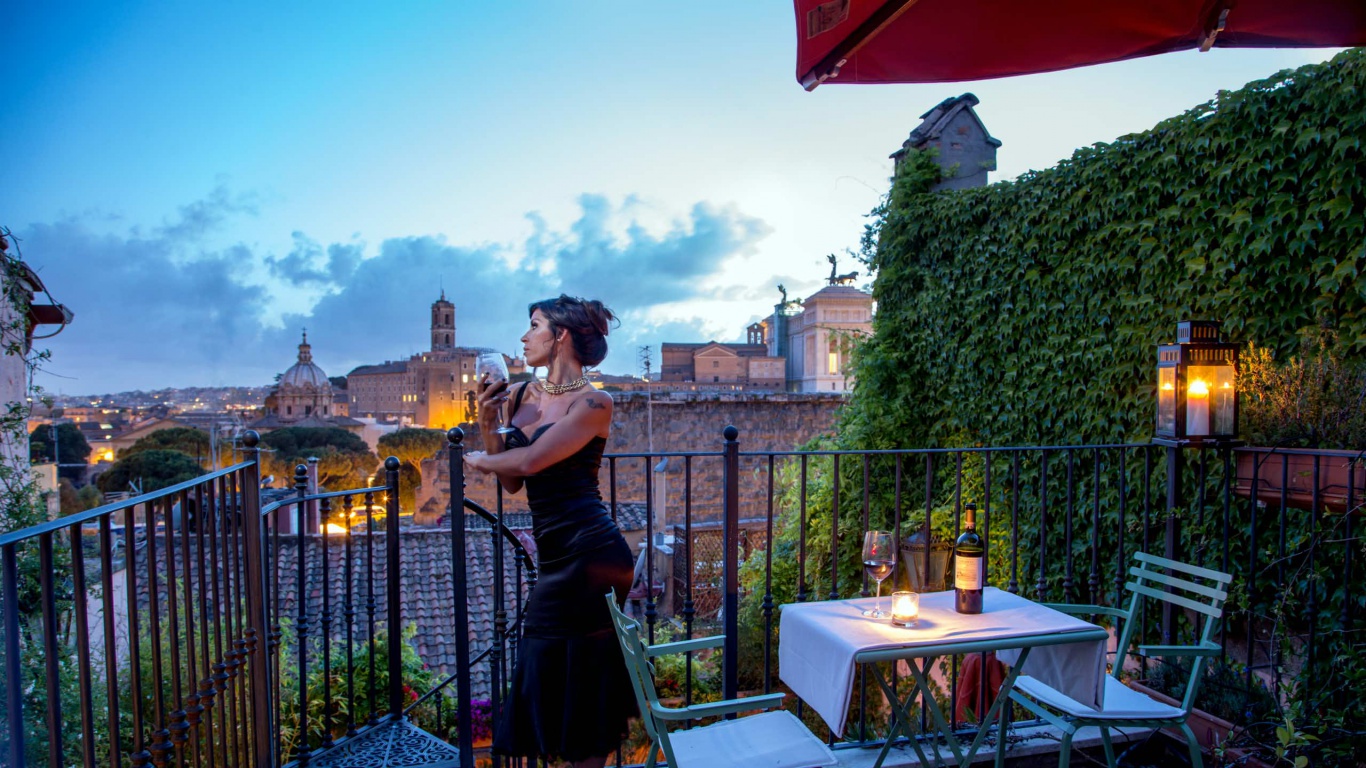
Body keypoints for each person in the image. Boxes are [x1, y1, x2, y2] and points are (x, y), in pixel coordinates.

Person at [463, 295, 636, 768]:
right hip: (557, 553)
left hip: (592, 554)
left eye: (533, 325)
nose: (523, 337)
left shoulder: (595, 402)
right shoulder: (519, 396)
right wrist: (485, 422)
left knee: (580, 682)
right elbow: (515, 481)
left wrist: (479, 460)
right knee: (559, 676)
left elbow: (534, 460)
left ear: (560, 335)